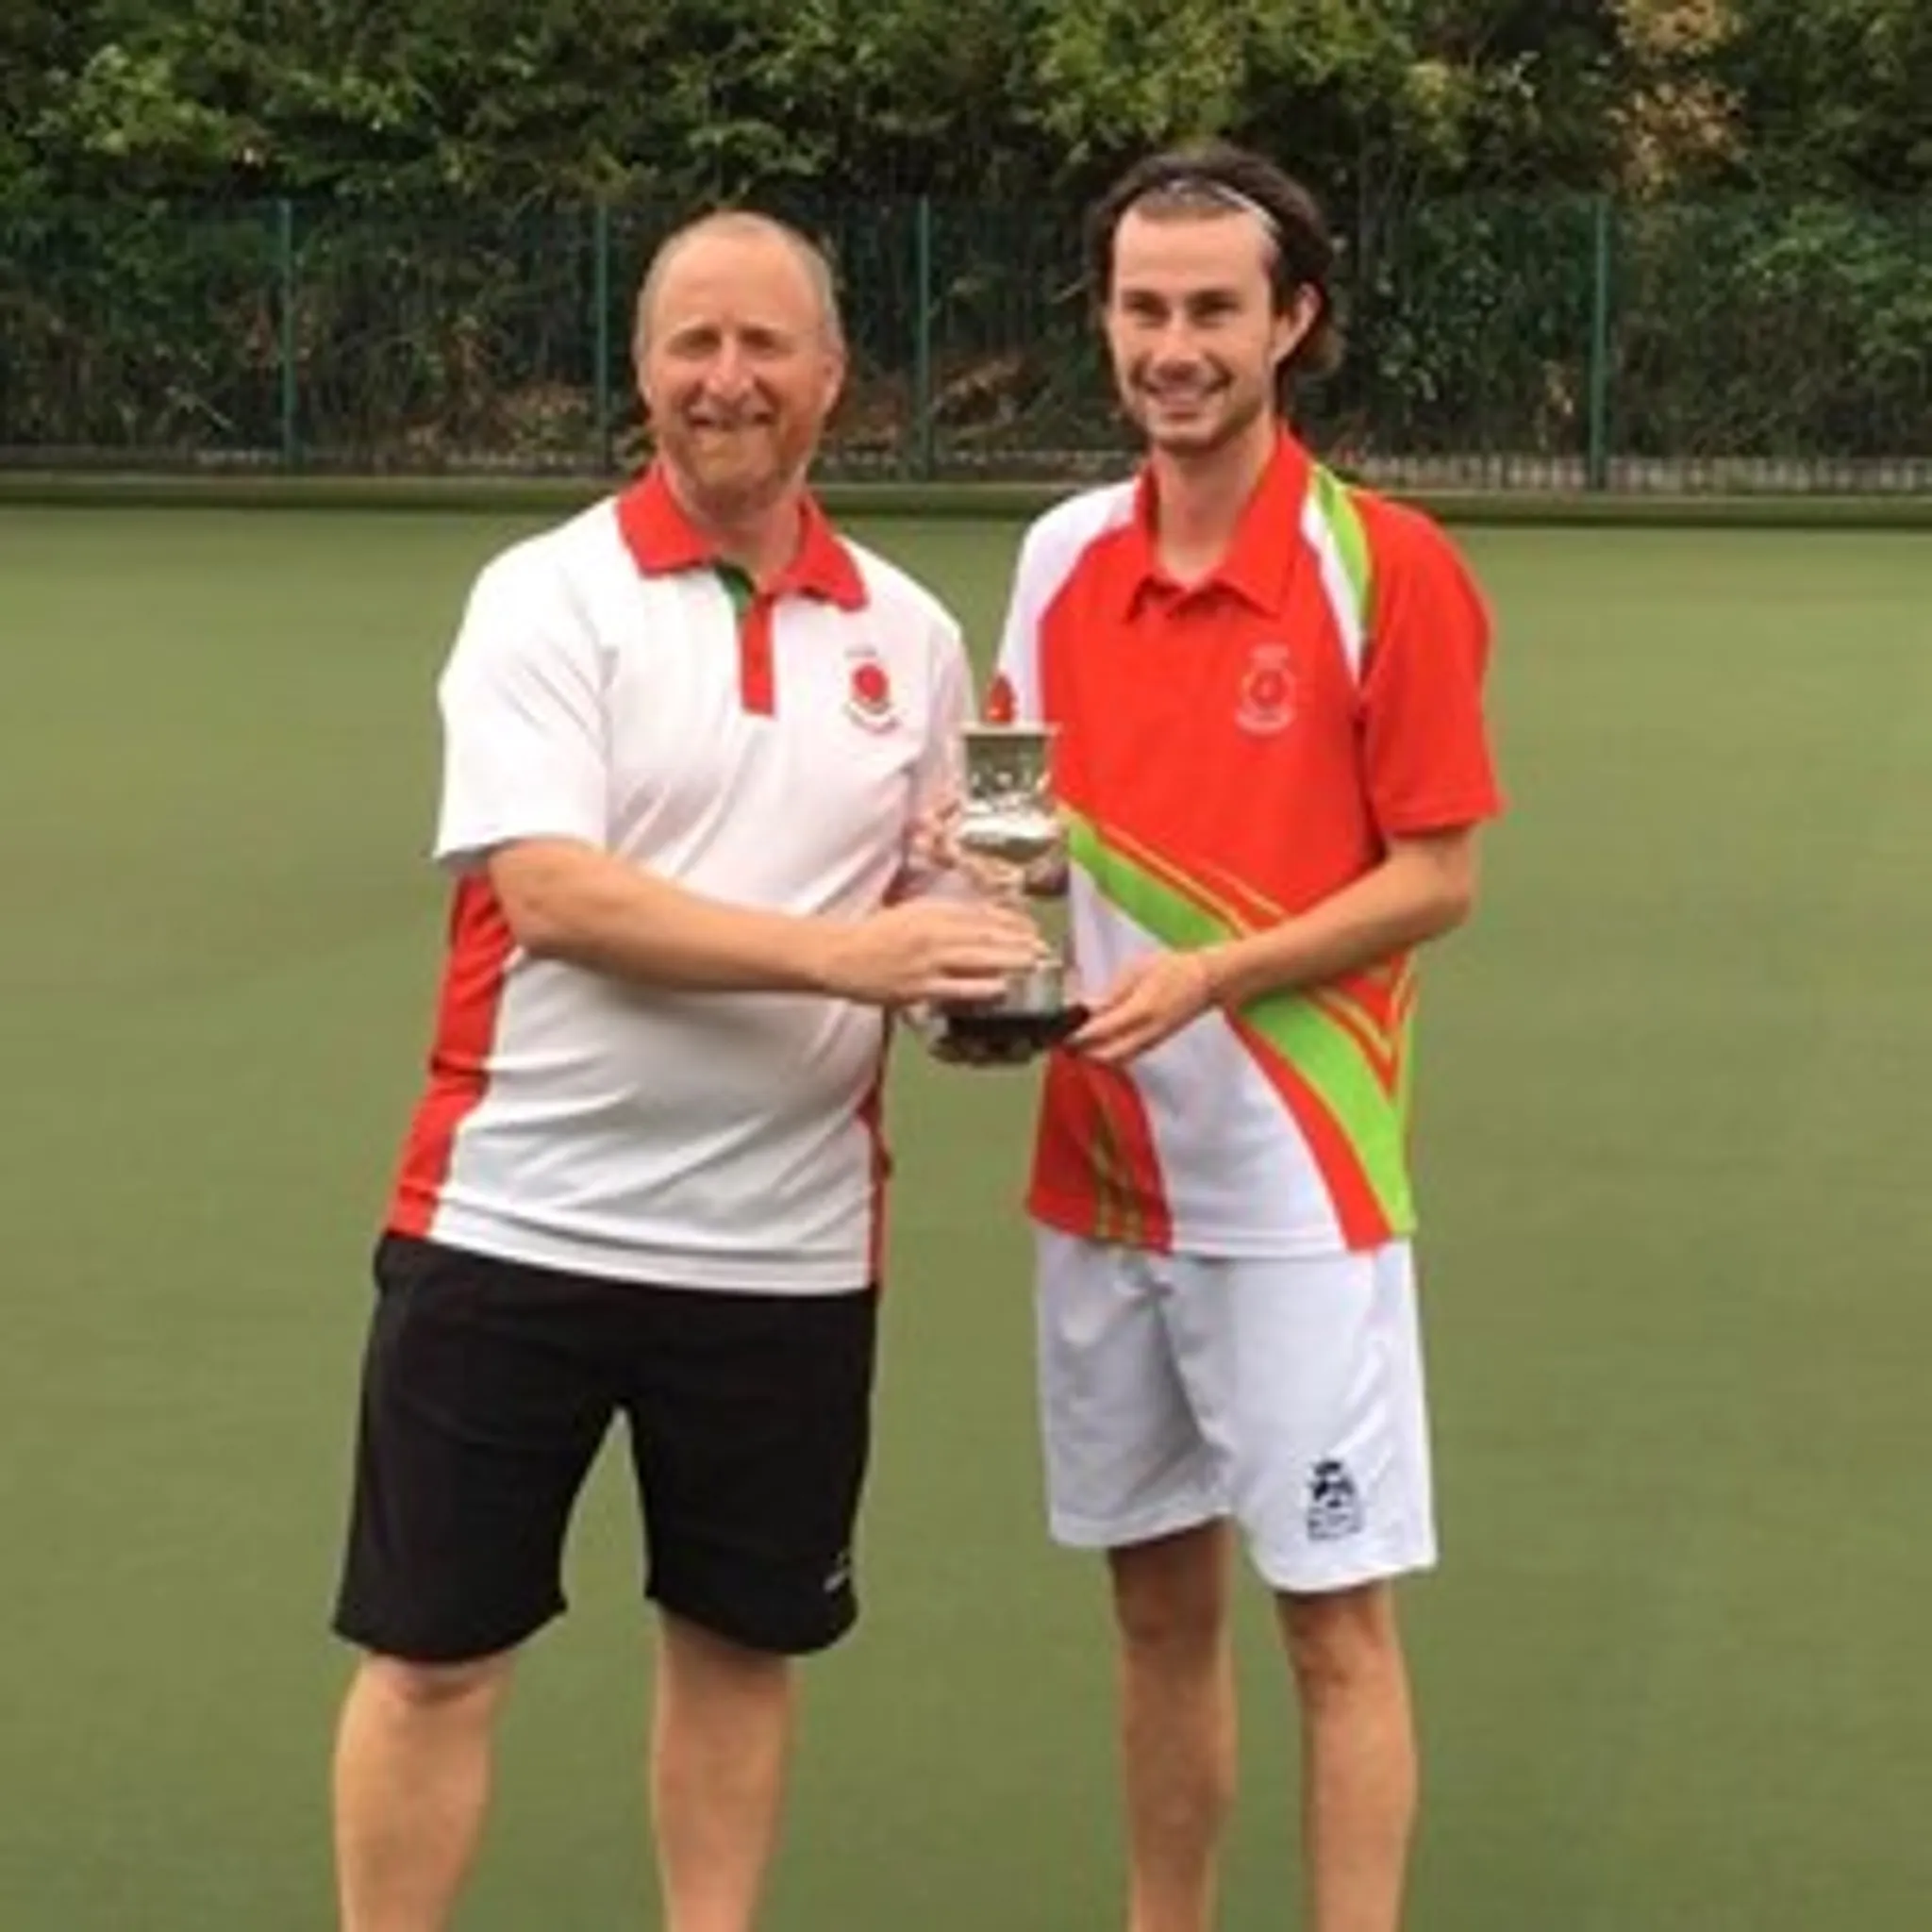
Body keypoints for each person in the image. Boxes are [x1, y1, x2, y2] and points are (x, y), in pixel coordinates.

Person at [326, 209, 1041, 1932]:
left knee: (739, 1648)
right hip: (517, 1220)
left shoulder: (911, 635)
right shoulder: (545, 596)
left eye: (764, 345)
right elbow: (553, 897)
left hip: (784, 1251)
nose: (728, 380)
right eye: (693, 345)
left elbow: (925, 908)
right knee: (433, 1659)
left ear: (833, 378)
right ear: (643, 371)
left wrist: (974, 967)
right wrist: (846, 961)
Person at [986, 142, 1505, 1932]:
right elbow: (1016, 828)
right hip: (1096, 1177)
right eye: (1143, 307)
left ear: (1293, 323)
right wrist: (980, 945)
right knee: (1151, 1611)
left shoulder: (1387, 566)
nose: (1174, 346)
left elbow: (1438, 876)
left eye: (1214, 308)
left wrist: (1216, 975)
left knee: (1334, 1625)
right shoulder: (1058, 555)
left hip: (1296, 1185)